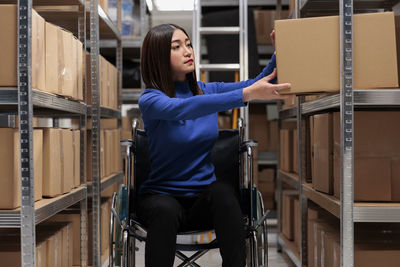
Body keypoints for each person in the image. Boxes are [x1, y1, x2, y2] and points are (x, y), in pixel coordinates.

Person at [137, 23, 291, 267]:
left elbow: (259, 82)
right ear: (157, 56)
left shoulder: (207, 91)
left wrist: (279, 54)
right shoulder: (151, 99)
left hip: (202, 200)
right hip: (160, 197)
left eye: (188, 44)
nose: (188, 51)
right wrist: (243, 96)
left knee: (225, 194)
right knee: (165, 209)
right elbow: (181, 108)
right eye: (176, 47)